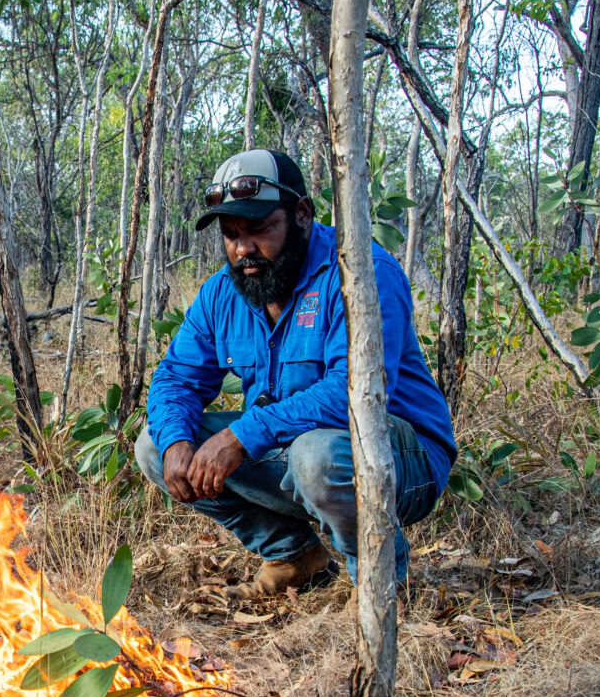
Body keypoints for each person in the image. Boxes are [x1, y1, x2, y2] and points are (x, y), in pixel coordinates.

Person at [137, 148, 456, 599]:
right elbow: (175, 378)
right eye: (231, 235)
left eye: (260, 229)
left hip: (402, 457)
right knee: (154, 446)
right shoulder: (221, 295)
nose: (243, 248)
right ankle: (293, 555)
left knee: (316, 457)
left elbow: (356, 393)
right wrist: (177, 442)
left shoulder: (361, 273)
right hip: (296, 450)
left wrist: (241, 436)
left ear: (301, 214)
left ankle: (381, 583)